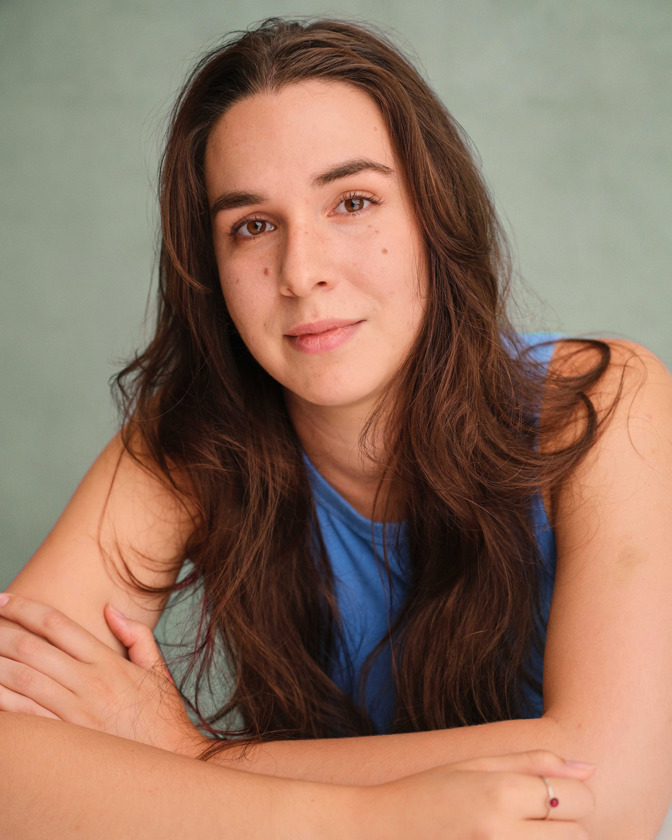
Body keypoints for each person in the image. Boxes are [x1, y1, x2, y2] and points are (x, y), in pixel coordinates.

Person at [1, 16, 671, 839]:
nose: (301, 271)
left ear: (435, 216)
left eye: (353, 203)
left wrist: (198, 756)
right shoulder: (188, 444)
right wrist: (371, 819)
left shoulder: (605, 405)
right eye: (252, 226)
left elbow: (613, 792)